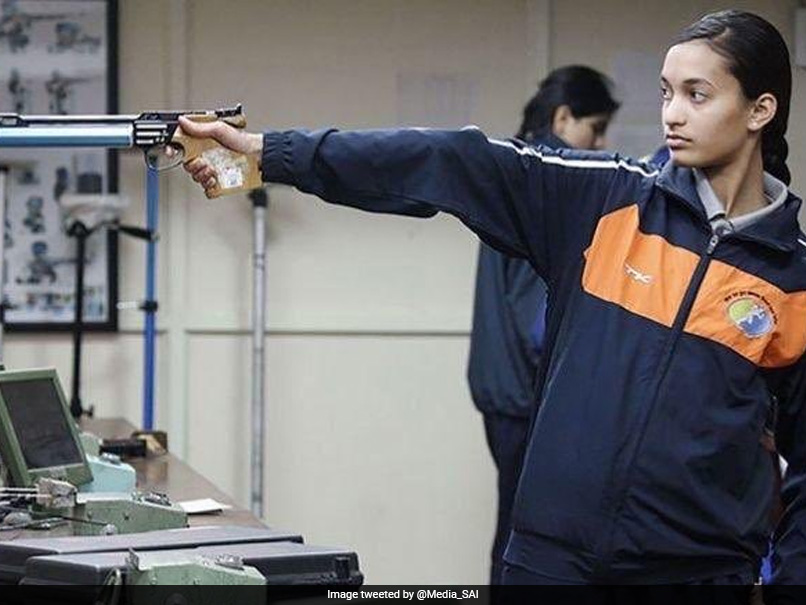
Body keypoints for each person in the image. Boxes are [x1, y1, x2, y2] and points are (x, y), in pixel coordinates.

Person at [180, 9, 805, 596]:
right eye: (667, 91)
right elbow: (448, 158)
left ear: (760, 110)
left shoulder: (795, 276)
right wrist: (268, 154)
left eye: (697, 95)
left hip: (697, 580)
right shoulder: (605, 202)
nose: (672, 113)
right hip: (551, 565)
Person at [467, 65, 619, 585]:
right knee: (527, 535)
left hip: (497, 386)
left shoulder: (515, 168)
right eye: (594, 129)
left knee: (512, 523)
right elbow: (540, 312)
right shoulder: (552, 179)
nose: (599, 146)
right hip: (526, 390)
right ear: (562, 117)